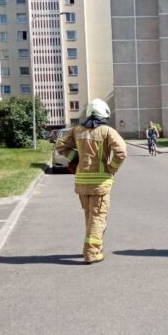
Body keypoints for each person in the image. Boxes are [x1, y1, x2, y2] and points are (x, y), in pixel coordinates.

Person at [55, 98, 127, 264]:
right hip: (100, 184)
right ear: (105, 113)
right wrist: (111, 168)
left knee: (90, 217)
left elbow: (60, 146)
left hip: (82, 183)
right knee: (97, 217)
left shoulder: (76, 131)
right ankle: (92, 253)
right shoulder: (107, 132)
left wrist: (76, 158)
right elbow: (121, 152)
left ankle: (95, 247)